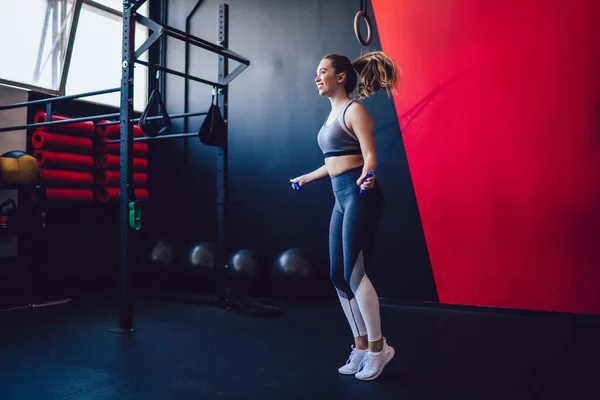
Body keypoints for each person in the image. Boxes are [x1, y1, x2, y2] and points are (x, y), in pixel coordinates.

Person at [290, 51, 402, 381]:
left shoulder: (355, 111)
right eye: (316, 72)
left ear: (340, 77)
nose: (317, 77)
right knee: (337, 276)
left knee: (354, 273)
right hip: (340, 197)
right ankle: (361, 346)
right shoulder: (330, 118)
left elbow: (369, 156)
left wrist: (369, 174)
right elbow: (333, 161)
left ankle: (380, 349)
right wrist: (306, 178)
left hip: (360, 195)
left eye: (322, 71)